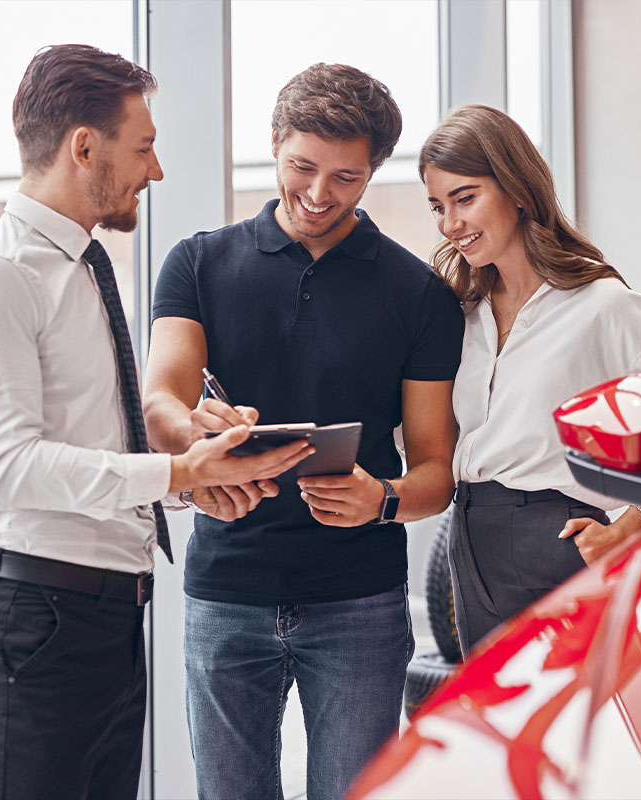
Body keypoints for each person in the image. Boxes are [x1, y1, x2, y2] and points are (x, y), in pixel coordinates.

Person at [0, 44, 311, 800]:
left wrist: (194, 474)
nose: (156, 171)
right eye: (144, 147)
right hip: (33, 626)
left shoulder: (80, 271)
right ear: (82, 146)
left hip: (102, 623)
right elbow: (5, 469)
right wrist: (176, 472)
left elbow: (88, 445)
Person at [143, 63, 464, 799]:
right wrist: (193, 436)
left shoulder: (419, 295)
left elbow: (435, 472)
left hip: (360, 602)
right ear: (275, 144)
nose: (319, 195)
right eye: (302, 168)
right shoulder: (198, 263)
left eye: (347, 178)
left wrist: (381, 499)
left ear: (374, 171)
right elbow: (161, 398)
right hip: (227, 591)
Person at [418, 104, 641, 657]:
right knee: (498, 734)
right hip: (470, 542)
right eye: (438, 206)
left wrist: (628, 527)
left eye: (465, 198)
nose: (450, 224)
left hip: (559, 540)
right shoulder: (462, 314)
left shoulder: (604, 308)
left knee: (574, 733)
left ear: (518, 189)